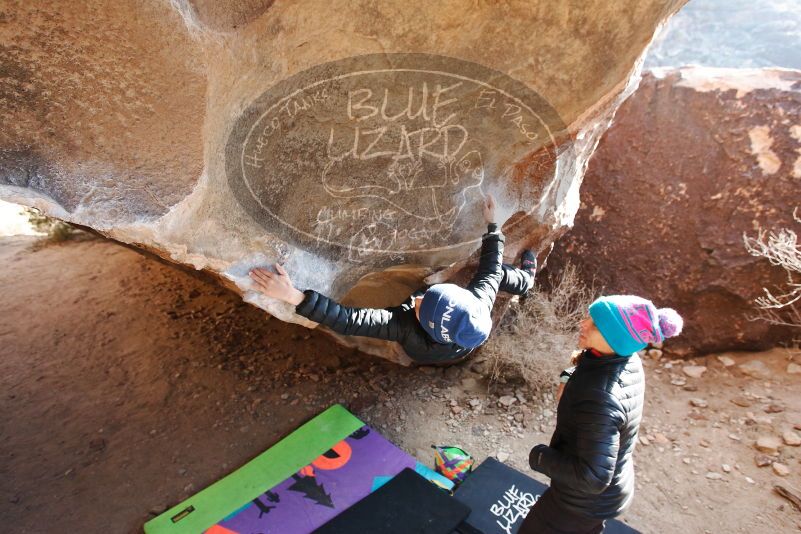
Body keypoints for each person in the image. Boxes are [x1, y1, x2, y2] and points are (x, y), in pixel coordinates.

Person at [248, 195, 537, 365]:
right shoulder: (478, 303)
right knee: (496, 274)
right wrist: (493, 224)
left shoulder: (403, 328)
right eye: (431, 294)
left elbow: (349, 320)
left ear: (424, 325)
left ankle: (414, 360)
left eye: (422, 308)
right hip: (454, 341)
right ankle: (525, 281)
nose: (418, 299)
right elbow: (491, 266)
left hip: (423, 353)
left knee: (491, 275)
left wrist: (292, 295)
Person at [521, 295, 684, 534]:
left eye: (595, 324)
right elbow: (583, 365)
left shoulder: (600, 399)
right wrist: (568, 377)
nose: (583, 323)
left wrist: (539, 457)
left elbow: (592, 477)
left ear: (615, 338)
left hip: (582, 504)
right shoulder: (624, 357)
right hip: (608, 493)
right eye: (590, 317)